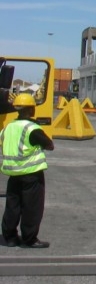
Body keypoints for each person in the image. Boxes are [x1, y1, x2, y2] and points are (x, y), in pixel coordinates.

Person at [1, 93, 55, 248]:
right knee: (32, 208)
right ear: (31, 109)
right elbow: (49, 145)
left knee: (12, 205)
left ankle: (10, 237)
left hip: (13, 174)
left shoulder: (8, 127)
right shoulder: (32, 128)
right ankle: (29, 239)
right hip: (31, 174)